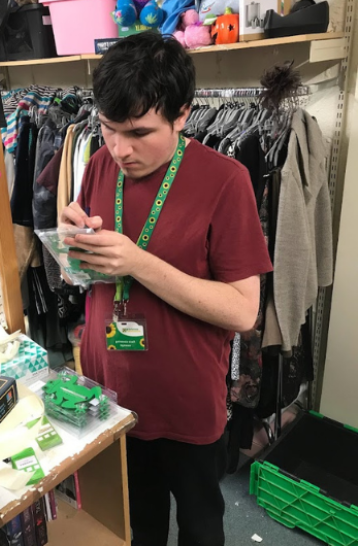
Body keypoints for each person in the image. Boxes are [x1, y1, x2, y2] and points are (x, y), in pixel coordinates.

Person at [60, 32, 272, 546]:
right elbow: (83, 277)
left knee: (200, 525)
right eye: (108, 129)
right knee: (140, 525)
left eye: (138, 132)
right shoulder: (97, 165)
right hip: (111, 389)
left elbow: (243, 311)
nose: (120, 148)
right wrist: (72, 246)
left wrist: (137, 260)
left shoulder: (227, 180)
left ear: (182, 114)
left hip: (184, 399)